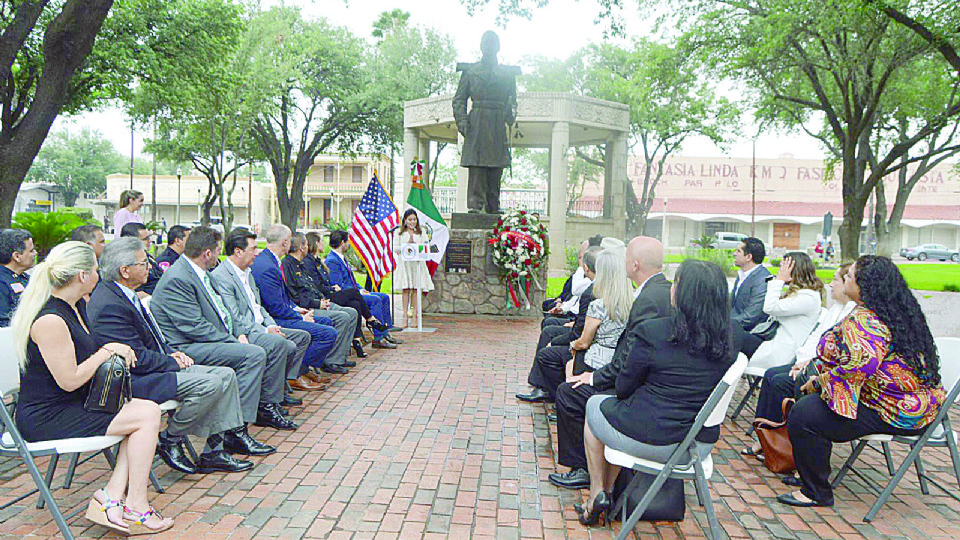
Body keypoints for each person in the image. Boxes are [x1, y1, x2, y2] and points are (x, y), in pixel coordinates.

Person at [10, 241, 174, 534]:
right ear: (83, 276)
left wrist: (116, 349)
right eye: (97, 269)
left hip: (72, 404)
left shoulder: (74, 307)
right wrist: (108, 351)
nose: (101, 275)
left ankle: (114, 497)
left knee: (147, 411)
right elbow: (69, 379)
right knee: (144, 416)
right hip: (46, 417)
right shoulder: (51, 320)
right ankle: (131, 503)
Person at [576, 259, 744, 526]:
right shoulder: (734, 337)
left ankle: (598, 492)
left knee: (595, 406)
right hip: (698, 446)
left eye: (675, 283)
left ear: (681, 293)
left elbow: (622, 388)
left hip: (653, 440)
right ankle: (605, 495)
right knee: (613, 412)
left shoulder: (653, 332)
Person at [88, 237, 272, 476]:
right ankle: (170, 437)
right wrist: (171, 360)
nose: (150, 268)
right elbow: (135, 358)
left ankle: (214, 451)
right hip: (137, 379)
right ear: (125, 270)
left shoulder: (126, 294)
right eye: (143, 264)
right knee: (211, 382)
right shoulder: (109, 304)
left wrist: (170, 354)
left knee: (226, 376)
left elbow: (150, 340)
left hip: (156, 366)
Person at [777, 256, 946, 508]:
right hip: (913, 403)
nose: (844, 277)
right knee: (806, 394)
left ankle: (815, 491)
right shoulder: (892, 311)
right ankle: (807, 471)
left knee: (805, 413)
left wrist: (820, 382)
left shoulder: (867, 321)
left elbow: (857, 368)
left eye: (849, 275)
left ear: (864, 285)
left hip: (897, 412)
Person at [549, 237, 672, 490]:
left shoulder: (648, 300)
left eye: (626, 258)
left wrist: (594, 378)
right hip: (634, 376)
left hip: (636, 387)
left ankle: (582, 467)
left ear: (635, 264)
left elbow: (630, 356)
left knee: (568, 393)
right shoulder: (655, 291)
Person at [149, 226, 297, 432]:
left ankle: (258, 412)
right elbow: (194, 327)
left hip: (210, 339)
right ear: (207, 253)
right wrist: (233, 341)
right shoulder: (178, 278)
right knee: (253, 355)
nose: (220, 255)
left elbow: (225, 311)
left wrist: (239, 333)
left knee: (266, 348)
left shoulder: (201, 273)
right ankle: (237, 429)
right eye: (218, 250)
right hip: (187, 347)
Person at [743, 264, 857, 461]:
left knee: (779, 381)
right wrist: (802, 360)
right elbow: (816, 338)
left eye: (836, 280)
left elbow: (769, 308)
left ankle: (783, 445)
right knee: (772, 376)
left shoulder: (820, 302)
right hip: (806, 361)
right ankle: (766, 438)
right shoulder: (835, 309)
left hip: (821, 371)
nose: (831, 284)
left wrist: (779, 281)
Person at [212, 228, 321, 396]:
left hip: (262, 325)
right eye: (253, 249)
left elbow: (258, 306)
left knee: (301, 337)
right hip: (246, 332)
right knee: (283, 344)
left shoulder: (247, 273)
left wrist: (271, 324)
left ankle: (283, 384)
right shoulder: (222, 276)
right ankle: (270, 400)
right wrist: (266, 330)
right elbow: (235, 317)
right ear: (238, 251)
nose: (258, 252)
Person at [252, 225, 342, 376]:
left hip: (285, 312)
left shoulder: (272, 261)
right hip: (275, 319)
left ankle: (304, 369)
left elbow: (283, 298)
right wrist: (300, 317)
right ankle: (297, 372)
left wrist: (296, 309)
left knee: (326, 323)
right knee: (328, 334)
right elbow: (275, 307)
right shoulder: (268, 266)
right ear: (285, 242)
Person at [517, 246, 601, 403]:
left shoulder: (591, 292)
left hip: (587, 343)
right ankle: (540, 384)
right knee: (549, 325)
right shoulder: (594, 287)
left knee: (548, 342)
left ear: (586, 267)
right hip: (579, 326)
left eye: (581, 258)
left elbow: (579, 335)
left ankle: (554, 394)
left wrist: (554, 343)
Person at [451, 30, 519, 214]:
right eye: (486, 43)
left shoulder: (507, 74)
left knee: (495, 167)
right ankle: (475, 206)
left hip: (497, 124)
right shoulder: (470, 71)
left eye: (492, 44)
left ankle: (493, 205)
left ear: (498, 47)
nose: (489, 47)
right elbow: (459, 100)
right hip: (477, 122)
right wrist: (463, 123)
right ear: (481, 47)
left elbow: (512, 100)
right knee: (477, 167)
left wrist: (511, 113)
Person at [280, 232, 361, 367]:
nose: (308, 247)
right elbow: (295, 295)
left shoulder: (301, 264)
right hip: (307, 308)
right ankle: (332, 361)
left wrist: (322, 299)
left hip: (319, 302)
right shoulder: (288, 265)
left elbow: (312, 287)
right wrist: (317, 303)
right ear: (301, 247)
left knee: (352, 312)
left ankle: (340, 356)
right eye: (306, 244)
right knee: (343, 317)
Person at [302, 231, 389, 355]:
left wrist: (359, 289)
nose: (323, 243)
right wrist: (333, 288)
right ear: (315, 243)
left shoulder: (317, 261)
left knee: (356, 304)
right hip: (325, 297)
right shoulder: (317, 262)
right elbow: (318, 286)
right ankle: (372, 321)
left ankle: (357, 340)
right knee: (361, 296)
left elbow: (332, 281)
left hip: (332, 292)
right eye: (321, 241)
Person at [745, 252, 824, 372]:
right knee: (731, 335)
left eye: (783, 268)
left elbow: (770, 308)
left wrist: (779, 281)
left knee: (732, 336)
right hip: (770, 343)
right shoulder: (800, 293)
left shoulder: (808, 297)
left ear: (793, 270)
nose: (779, 272)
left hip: (780, 353)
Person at [325, 230, 402, 349]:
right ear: (342, 242)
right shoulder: (332, 260)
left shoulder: (341, 258)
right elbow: (338, 285)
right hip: (348, 296)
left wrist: (361, 288)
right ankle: (378, 338)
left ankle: (386, 331)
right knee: (375, 300)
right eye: (347, 241)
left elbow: (352, 280)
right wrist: (358, 292)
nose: (349, 244)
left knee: (384, 297)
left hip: (355, 291)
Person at [568, 249, 632, 378]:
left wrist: (572, 345)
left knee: (569, 365)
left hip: (597, 363)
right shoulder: (635, 303)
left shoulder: (598, 306)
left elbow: (584, 343)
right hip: (623, 362)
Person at [394, 209, 434, 327]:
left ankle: (415, 316)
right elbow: (395, 248)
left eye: (414, 219)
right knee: (406, 289)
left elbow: (426, 246)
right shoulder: (399, 232)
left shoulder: (421, 232)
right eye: (410, 219)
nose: (412, 222)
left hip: (417, 264)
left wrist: (416, 245)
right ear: (405, 220)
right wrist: (406, 245)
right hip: (405, 264)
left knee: (416, 289)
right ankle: (405, 317)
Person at [731, 237, 771, 332]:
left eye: (738, 251)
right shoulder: (742, 274)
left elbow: (751, 317)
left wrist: (722, 324)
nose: (734, 254)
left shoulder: (762, 279)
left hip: (749, 332)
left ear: (749, 257)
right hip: (734, 326)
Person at [0, 229, 35, 327]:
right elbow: (4, 324)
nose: (35, 253)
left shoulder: (26, 278)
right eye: (31, 251)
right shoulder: (2, 282)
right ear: (17, 256)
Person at [120, 222, 163, 296]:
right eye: (145, 239)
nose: (150, 241)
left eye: (149, 237)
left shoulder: (147, 256)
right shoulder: (125, 262)